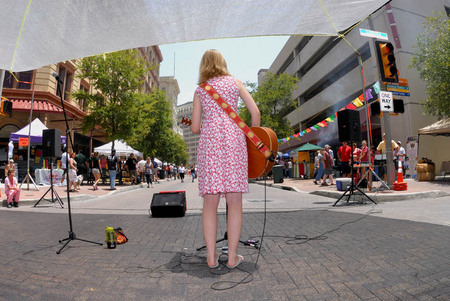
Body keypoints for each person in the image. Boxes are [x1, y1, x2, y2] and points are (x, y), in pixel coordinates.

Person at [191, 49, 260, 269]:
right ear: (223, 63)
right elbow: (255, 113)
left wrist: (208, 124)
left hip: (210, 144)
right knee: (235, 202)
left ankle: (211, 259)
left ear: (204, 65)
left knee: (210, 203)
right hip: (234, 143)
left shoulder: (201, 90)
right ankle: (231, 258)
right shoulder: (236, 83)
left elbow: (194, 128)